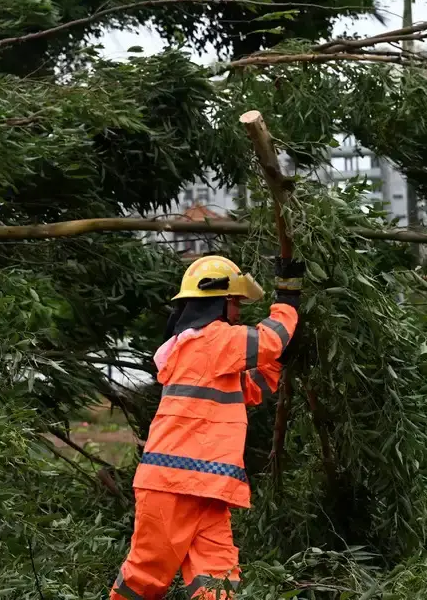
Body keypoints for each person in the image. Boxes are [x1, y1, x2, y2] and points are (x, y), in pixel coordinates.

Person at [109, 254, 304, 600]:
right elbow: (270, 340)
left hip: (202, 486)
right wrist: (288, 296)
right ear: (217, 301)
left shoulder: (199, 349)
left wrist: (276, 362)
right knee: (146, 576)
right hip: (177, 484)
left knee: (217, 579)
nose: (238, 312)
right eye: (235, 302)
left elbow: (250, 388)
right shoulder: (213, 340)